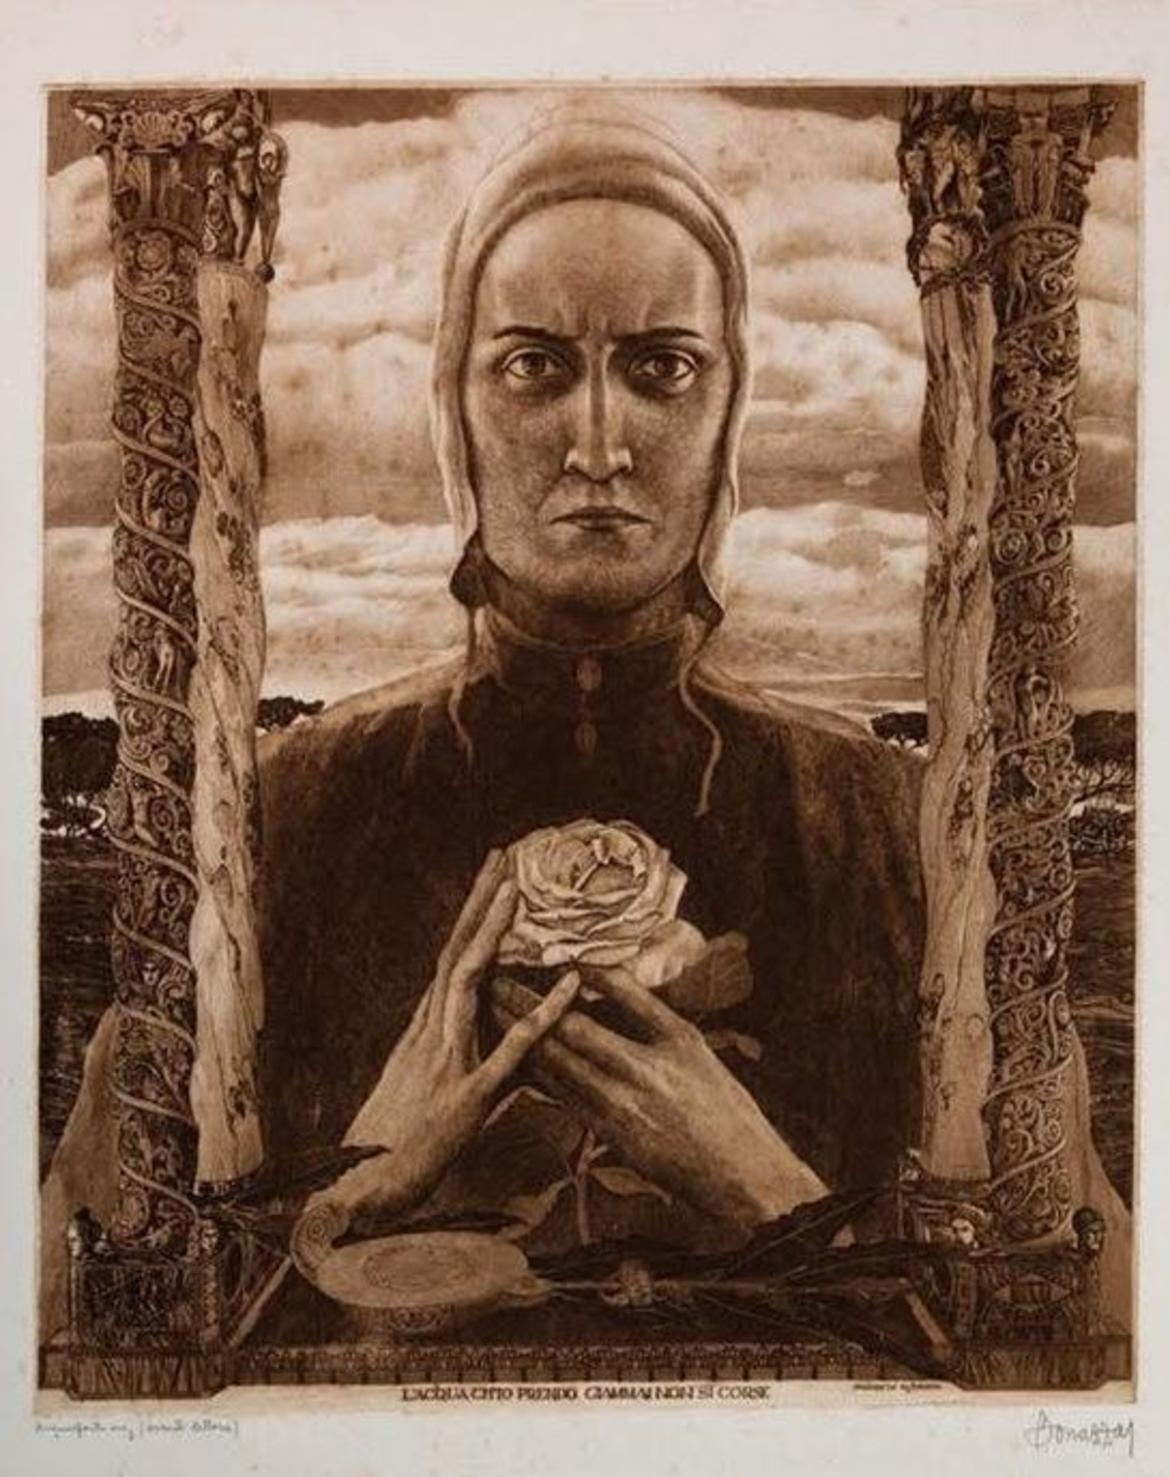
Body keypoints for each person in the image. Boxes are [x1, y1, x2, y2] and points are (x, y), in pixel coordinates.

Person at [40, 106, 1129, 1341]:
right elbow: (91, 1318)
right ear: (456, 405)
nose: (600, 447)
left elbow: (1074, 1330)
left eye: (663, 368)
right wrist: (367, 1183)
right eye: (534, 367)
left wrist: (775, 1201)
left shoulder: (890, 823)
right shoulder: (277, 818)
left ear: (727, 410)